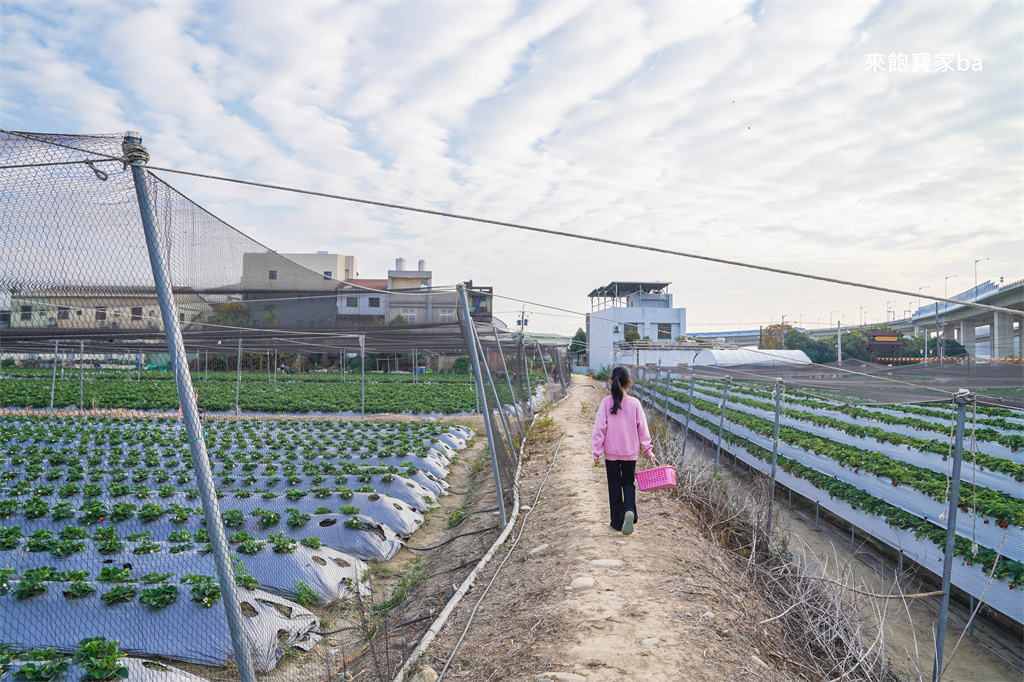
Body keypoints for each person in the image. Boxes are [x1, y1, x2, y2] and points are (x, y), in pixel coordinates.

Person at [592, 365, 653, 535]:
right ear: (630, 383)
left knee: (614, 486)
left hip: (611, 454)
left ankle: (617, 522)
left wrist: (596, 451)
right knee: (628, 483)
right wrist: (647, 450)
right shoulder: (635, 403)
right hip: (630, 452)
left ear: (611, 382)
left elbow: (599, 429)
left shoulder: (606, 402)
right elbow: (643, 429)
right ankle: (629, 510)